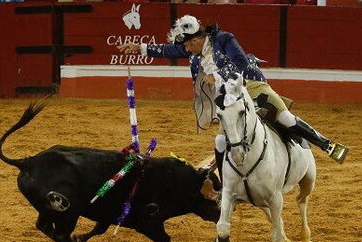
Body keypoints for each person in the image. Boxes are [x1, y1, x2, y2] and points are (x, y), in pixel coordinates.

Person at [117, 15, 348, 163]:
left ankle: (327, 145)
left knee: (285, 117)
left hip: (252, 85)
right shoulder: (194, 51)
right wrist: (139, 47)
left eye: (187, 44)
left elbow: (241, 63)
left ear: (197, 38)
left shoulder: (224, 39)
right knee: (220, 142)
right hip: (230, 97)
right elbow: (168, 51)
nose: (186, 49)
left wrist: (215, 75)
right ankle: (224, 184)